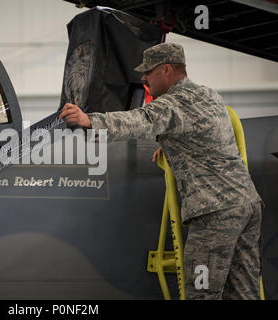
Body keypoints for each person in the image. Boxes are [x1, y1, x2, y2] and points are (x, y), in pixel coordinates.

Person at [59, 42, 263, 300]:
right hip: (248, 205)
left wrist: (90, 120)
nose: (144, 77)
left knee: (201, 293)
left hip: (216, 212)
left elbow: (139, 120)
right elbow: (205, 135)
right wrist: (170, 146)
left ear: (166, 70)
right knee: (244, 293)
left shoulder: (173, 103)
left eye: (148, 71)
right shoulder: (209, 95)